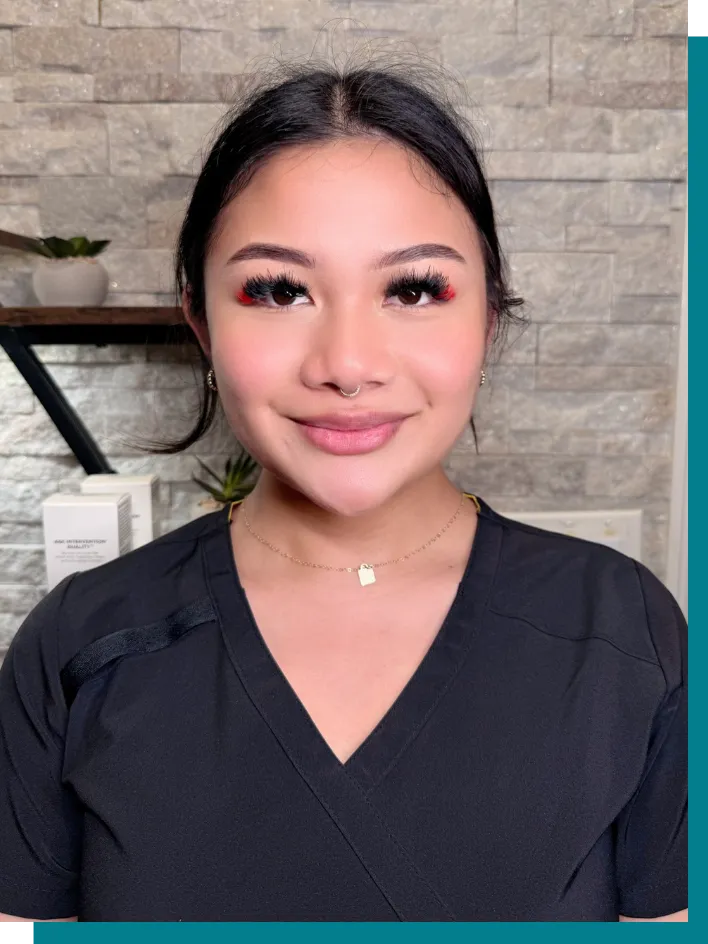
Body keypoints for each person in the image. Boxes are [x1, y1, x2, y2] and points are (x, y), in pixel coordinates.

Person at [0, 61, 687, 923]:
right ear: (201, 321)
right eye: (278, 290)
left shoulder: (624, 630)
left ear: (489, 318)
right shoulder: (76, 644)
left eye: (414, 288)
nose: (347, 365)